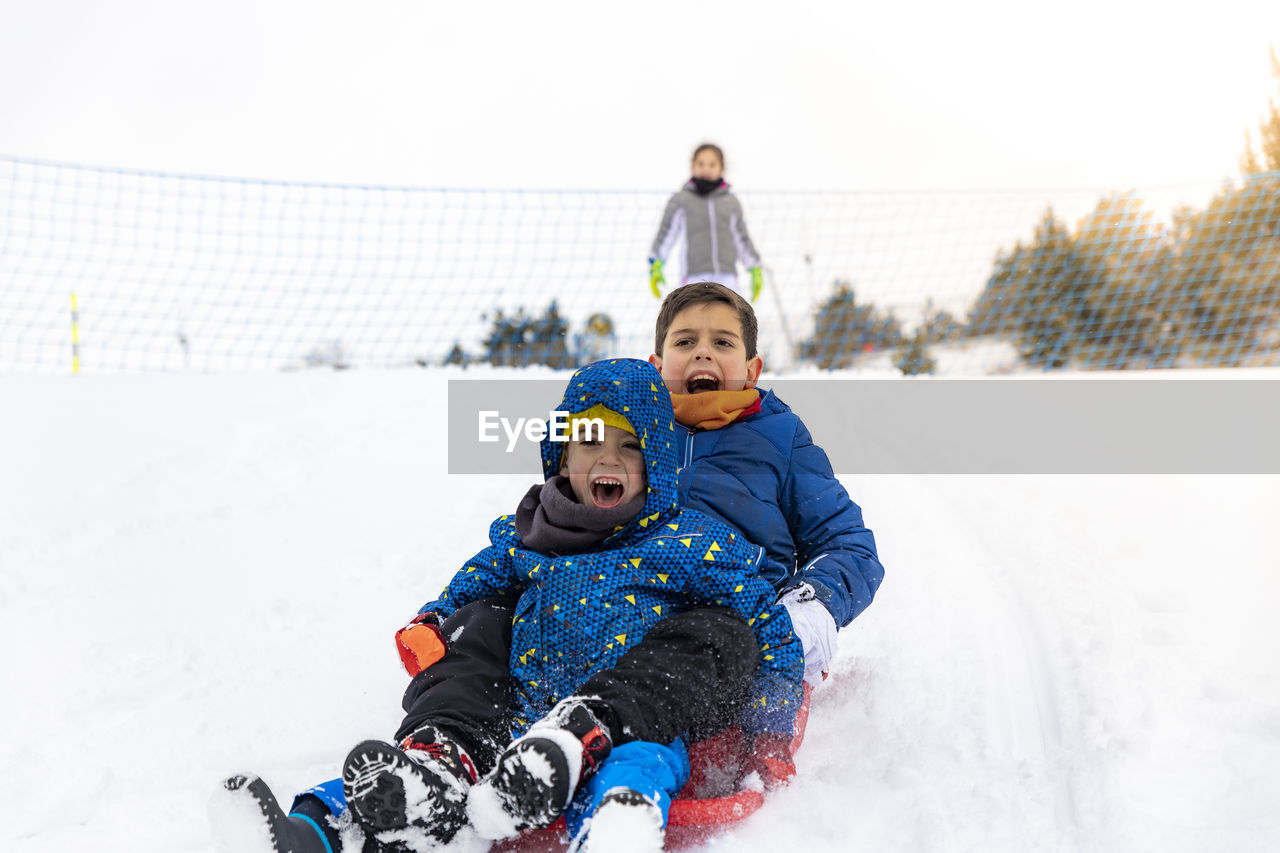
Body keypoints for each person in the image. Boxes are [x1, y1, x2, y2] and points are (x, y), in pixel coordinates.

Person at [214, 358, 803, 853]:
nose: (608, 460)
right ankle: (392, 793)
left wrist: (774, 722)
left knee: (717, 631)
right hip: (517, 721)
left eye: (631, 447)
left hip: (630, 719)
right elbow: (469, 586)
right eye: (591, 441)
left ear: (656, 468)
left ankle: (614, 817)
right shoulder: (525, 537)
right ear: (560, 456)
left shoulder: (687, 541)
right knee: (481, 625)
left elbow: (760, 620)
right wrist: (432, 621)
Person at [649, 281, 884, 686]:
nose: (703, 352)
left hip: (742, 625)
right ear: (655, 366)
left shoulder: (779, 437)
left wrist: (810, 608)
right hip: (629, 610)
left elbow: (847, 543)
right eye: (685, 341)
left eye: (723, 343)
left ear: (751, 370)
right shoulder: (629, 435)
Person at [648, 144, 765, 302]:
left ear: (721, 168)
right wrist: (656, 262)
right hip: (694, 275)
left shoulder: (731, 202)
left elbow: (741, 237)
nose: (706, 169)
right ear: (692, 166)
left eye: (712, 164)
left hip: (727, 276)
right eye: (700, 164)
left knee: (729, 317)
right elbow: (666, 233)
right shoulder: (681, 200)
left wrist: (754, 267)